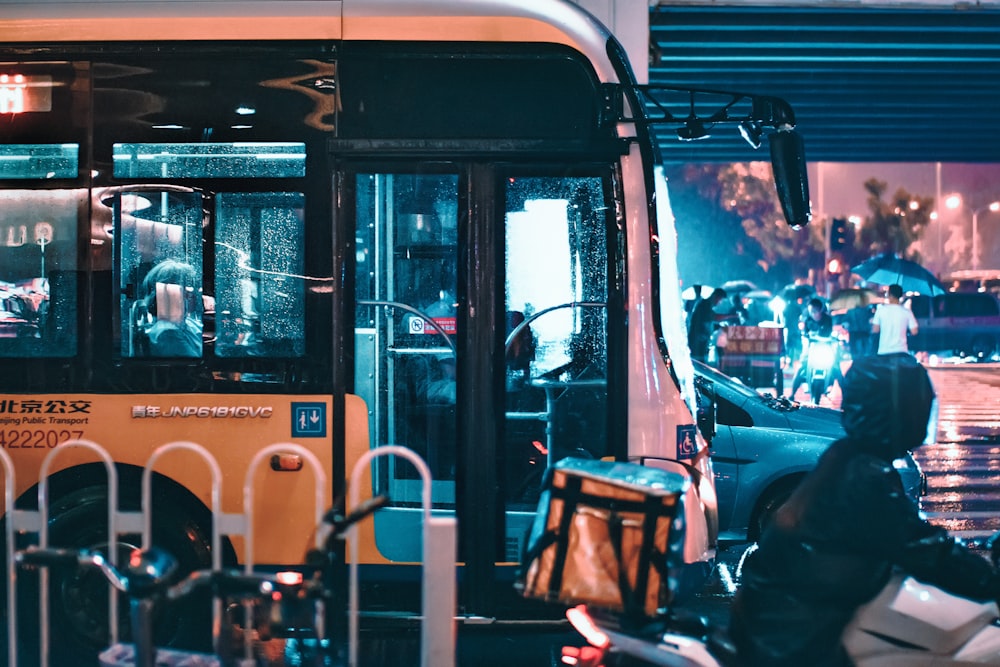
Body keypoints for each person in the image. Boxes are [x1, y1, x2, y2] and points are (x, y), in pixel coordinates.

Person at [729, 354, 1000, 667]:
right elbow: (924, 548)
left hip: (777, 612)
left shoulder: (848, 455)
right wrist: (990, 583)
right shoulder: (865, 474)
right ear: (899, 413)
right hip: (794, 632)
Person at [136, 259, 202, 357]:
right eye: (185, 289)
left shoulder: (188, 323)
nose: (192, 294)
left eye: (192, 287)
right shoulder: (168, 333)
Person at [788, 297, 843, 399]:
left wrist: (835, 339)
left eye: (815, 311)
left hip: (825, 349)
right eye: (811, 311)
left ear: (821, 310)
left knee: (836, 369)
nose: (814, 314)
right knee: (801, 368)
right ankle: (792, 394)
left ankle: (846, 396)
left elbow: (830, 334)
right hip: (810, 350)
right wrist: (804, 336)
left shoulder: (828, 319)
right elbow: (803, 333)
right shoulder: (806, 319)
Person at [687, 288, 732, 364]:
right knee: (698, 363)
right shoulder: (704, 305)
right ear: (715, 296)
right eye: (719, 300)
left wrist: (718, 327)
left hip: (701, 342)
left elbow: (708, 322)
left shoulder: (705, 305)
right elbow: (715, 317)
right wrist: (732, 316)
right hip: (697, 342)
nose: (719, 303)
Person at [872, 283, 918, 355]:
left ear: (889, 294)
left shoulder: (880, 311)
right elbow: (914, 331)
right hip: (901, 351)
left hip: (884, 351)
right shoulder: (906, 312)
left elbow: (875, 330)